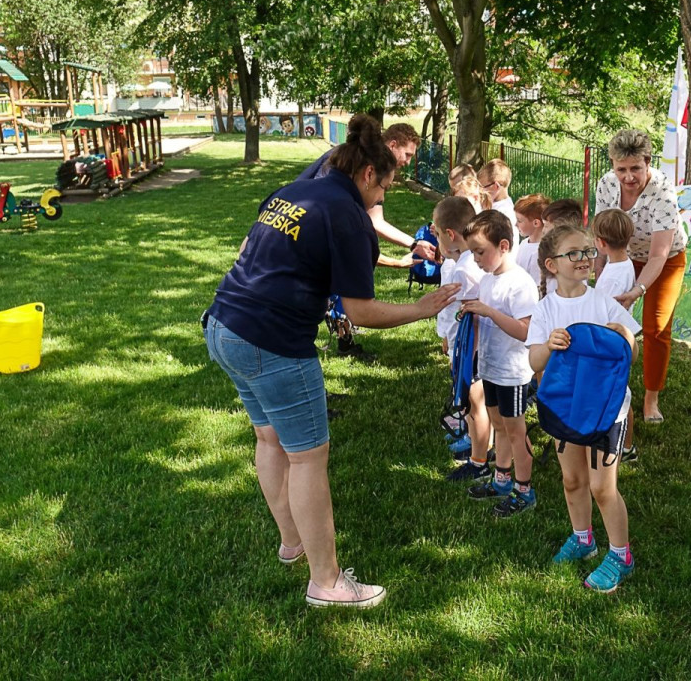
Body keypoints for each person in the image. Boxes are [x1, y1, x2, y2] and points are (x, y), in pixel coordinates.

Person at [203, 114, 457, 609]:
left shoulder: (294, 191)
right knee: (308, 458)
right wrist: (420, 309)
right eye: (384, 187)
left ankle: (292, 542)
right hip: (271, 340)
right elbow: (359, 312)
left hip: (224, 325)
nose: (382, 199)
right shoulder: (346, 213)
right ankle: (327, 581)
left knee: (269, 437)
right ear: (367, 175)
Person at [528, 224, 640, 592]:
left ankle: (621, 555)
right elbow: (534, 362)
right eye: (573, 253)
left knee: (602, 488)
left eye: (589, 252)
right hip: (565, 409)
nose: (584, 259)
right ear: (551, 264)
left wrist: (620, 334)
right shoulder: (545, 309)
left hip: (606, 410)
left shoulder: (604, 302)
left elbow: (631, 352)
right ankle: (583, 538)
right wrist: (549, 345)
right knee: (572, 480)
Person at [596, 130, 687, 425]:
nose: (628, 176)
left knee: (655, 328)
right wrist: (599, 280)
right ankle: (606, 385)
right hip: (622, 255)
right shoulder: (606, 185)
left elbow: (659, 255)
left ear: (648, 162)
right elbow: (601, 235)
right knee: (608, 321)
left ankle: (651, 398)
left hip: (665, 259)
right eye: (621, 169)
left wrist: (638, 289)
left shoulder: (663, 192)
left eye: (635, 168)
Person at [460, 210, 539, 517]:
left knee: (516, 431)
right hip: (492, 367)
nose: (476, 259)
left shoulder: (520, 283)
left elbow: (526, 330)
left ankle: (524, 489)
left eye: (480, 251)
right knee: (499, 426)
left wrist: (489, 312)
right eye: (473, 253)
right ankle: (502, 478)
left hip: (514, 372)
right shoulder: (488, 279)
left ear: (504, 245)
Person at [297, 122, 437, 267]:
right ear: (393, 145)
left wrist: (414, 244)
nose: (408, 162)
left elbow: (376, 221)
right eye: (407, 155)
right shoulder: (350, 157)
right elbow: (319, 208)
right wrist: (393, 262)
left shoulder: (377, 169)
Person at [432, 195, 492, 481]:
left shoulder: (465, 270)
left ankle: (479, 460)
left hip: (472, 350)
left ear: (451, 235)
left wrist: (466, 355)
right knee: (471, 403)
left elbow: (472, 317)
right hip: (468, 349)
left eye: (437, 232)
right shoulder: (466, 262)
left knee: (475, 402)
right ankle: (475, 443)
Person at [591, 208, 638, 462]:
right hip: (617, 337)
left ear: (601, 243)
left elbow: (603, 313)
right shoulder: (624, 264)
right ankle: (627, 446)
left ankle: (622, 445)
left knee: (618, 396)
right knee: (622, 394)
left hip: (609, 341)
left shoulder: (612, 276)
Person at [479, 158, 519, 246]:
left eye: (482, 187)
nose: (480, 191)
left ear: (495, 186)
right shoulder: (492, 204)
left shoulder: (504, 213)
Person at [514, 193, 550, 286]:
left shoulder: (543, 251)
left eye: (519, 221)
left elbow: (537, 284)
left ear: (536, 223)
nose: (516, 224)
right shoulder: (524, 243)